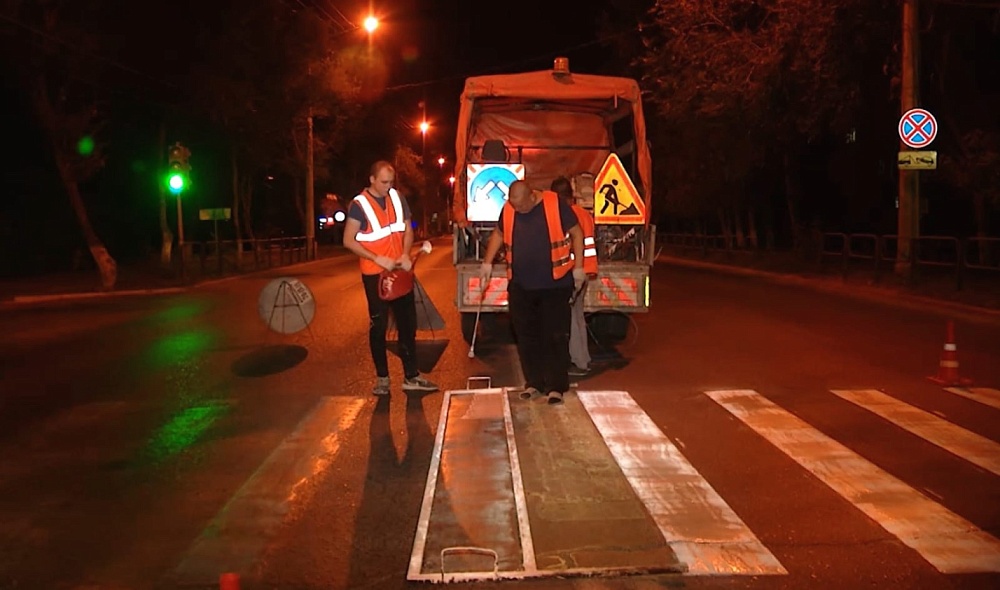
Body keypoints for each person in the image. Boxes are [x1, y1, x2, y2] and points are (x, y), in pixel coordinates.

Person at [480, 180, 586, 404]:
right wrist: (487, 263)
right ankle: (534, 383)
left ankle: (556, 386)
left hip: (555, 285)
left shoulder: (554, 203)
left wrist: (579, 268)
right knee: (527, 337)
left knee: (555, 336)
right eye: (513, 206)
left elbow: (577, 232)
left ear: (531, 196)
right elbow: (499, 234)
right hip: (521, 285)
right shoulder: (509, 209)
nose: (517, 211)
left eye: (520, 206)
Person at [342, 160, 439, 396]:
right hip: (375, 274)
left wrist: (405, 253)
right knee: (379, 326)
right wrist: (377, 259)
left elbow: (407, 229)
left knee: (408, 325)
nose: (388, 186)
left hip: (400, 272)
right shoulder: (359, 205)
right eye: (384, 182)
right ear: (372, 179)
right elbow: (348, 240)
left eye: (391, 181)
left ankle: (411, 376)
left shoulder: (397, 197)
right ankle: (382, 379)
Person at [550, 176, 597, 377]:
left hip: (570, 272)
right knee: (577, 316)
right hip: (586, 271)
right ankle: (582, 358)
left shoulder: (563, 215)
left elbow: (564, 247)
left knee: (568, 318)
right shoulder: (585, 214)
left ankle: (577, 361)